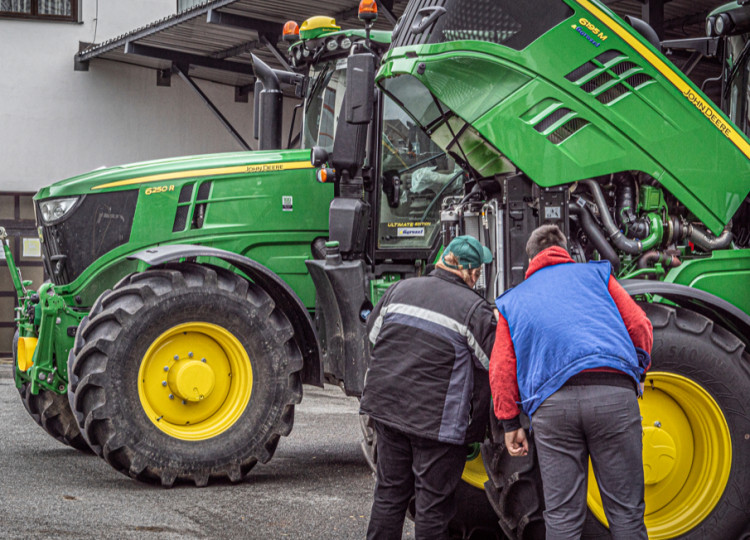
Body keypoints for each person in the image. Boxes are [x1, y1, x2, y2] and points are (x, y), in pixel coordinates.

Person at [490, 224, 652, 539]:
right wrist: (640, 370)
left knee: (562, 518)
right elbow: (639, 325)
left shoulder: (513, 300)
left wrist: (510, 423)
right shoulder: (598, 276)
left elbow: (501, 367)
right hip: (613, 396)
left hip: (553, 407)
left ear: (531, 259)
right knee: (627, 516)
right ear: (566, 251)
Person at [361, 235, 496, 540]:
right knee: (433, 508)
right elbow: (495, 365)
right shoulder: (474, 310)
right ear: (470, 273)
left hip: (387, 413)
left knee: (389, 495)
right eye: (478, 272)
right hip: (436, 425)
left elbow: (373, 336)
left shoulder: (399, 290)